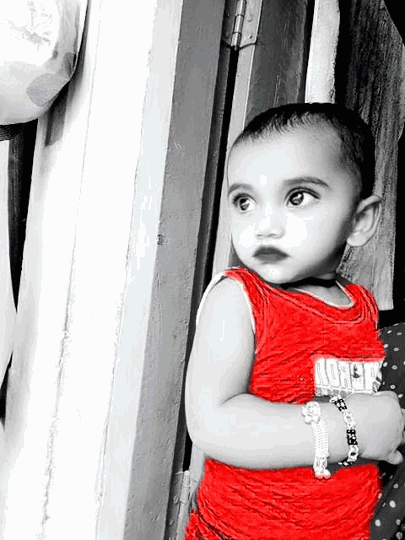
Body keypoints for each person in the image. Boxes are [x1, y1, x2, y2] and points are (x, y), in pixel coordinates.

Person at [183, 103, 405, 540]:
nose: (264, 226)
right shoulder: (238, 298)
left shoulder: (361, 304)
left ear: (359, 220)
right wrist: (351, 428)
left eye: (297, 197)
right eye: (245, 202)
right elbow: (212, 421)